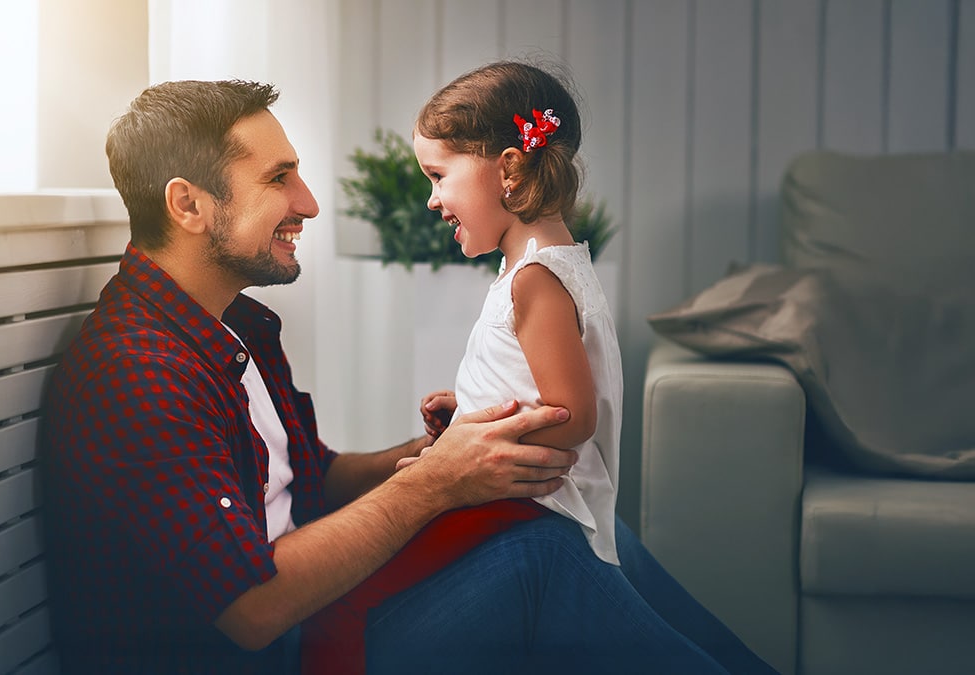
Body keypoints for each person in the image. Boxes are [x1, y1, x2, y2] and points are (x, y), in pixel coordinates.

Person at [40, 75, 776, 675]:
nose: (308, 202)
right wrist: (436, 482)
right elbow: (251, 610)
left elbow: (310, 475)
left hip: (321, 608)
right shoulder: (138, 369)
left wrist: (437, 454)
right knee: (542, 554)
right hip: (286, 648)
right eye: (279, 178)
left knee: (588, 527)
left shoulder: (236, 324)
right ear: (188, 204)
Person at [300, 61, 780, 675]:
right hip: (519, 501)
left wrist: (475, 451)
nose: (432, 199)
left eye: (439, 175)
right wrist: (471, 416)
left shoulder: (535, 280)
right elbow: (538, 383)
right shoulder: (541, 265)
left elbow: (571, 415)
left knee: (364, 591)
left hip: (522, 509)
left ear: (507, 167)